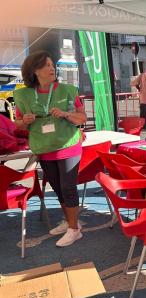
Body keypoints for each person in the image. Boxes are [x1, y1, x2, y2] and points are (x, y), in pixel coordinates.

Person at [13, 51, 87, 247]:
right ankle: (71, 221)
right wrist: (24, 121)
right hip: (44, 148)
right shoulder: (24, 95)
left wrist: (65, 114)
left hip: (68, 145)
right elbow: (17, 125)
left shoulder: (68, 90)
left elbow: (82, 118)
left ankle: (74, 230)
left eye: (52, 64)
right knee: (58, 188)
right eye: (46, 65)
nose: (51, 68)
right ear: (34, 71)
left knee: (68, 187)